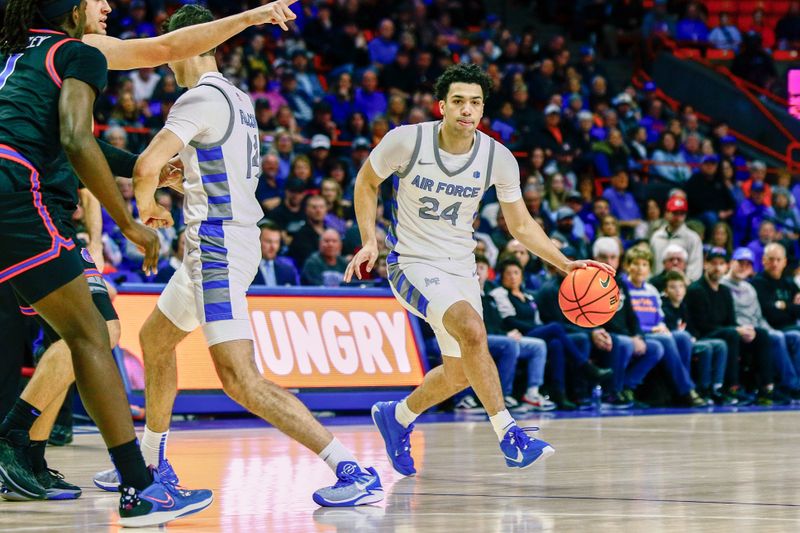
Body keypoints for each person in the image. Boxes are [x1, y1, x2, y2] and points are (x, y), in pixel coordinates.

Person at [0, 0, 299, 510]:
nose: (109, 6)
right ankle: (134, 484)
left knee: (91, 331)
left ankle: (21, 448)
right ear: (73, 8)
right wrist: (130, 222)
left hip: (26, 195)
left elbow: (65, 139)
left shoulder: (17, 51)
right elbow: (79, 136)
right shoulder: (78, 51)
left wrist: (147, 168)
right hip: (20, 195)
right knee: (93, 332)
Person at [93, 5, 383, 508]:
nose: (166, 62)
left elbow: (144, 165)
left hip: (218, 246)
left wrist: (146, 211)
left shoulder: (198, 98)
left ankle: (349, 467)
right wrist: (181, 192)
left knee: (238, 379)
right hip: (226, 237)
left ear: (187, 43)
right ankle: (152, 457)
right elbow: (213, 177)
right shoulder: (238, 98)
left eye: (171, 50)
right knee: (156, 339)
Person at [344, 64, 613, 474]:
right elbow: (366, 182)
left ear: (482, 110)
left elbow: (520, 223)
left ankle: (396, 417)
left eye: (474, 103)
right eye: (457, 101)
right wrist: (369, 239)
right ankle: (510, 435)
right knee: (472, 330)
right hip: (411, 263)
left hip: (461, 268)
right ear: (442, 106)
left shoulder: (497, 158)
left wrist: (564, 263)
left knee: (461, 373)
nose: (466, 110)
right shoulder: (407, 141)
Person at [621, 248, 710, 407]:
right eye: (636, 264)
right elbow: (627, 320)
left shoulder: (652, 290)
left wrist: (662, 326)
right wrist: (650, 330)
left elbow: (659, 317)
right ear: (628, 266)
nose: (640, 268)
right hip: (638, 334)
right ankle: (686, 390)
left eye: (644, 264)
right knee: (665, 339)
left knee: (682, 337)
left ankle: (678, 389)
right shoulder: (624, 288)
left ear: (649, 269)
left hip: (656, 331)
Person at [685, 248, 771, 404]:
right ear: (705, 264)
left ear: (726, 266)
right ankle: (731, 387)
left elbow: (731, 321)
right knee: (732, 334)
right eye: (714, 263)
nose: (718, 268)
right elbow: (702, 326)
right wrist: (735, 330)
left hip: (724, 332)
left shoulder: (724, 291)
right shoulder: (696, 290)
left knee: (760, 334)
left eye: (721, 264)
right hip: (702, 335)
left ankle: (765, 388)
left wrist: (745, 331)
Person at [721, 248, 795, 404]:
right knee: (771, 336)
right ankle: (789, 386)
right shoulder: (722, 286)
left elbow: (759, 317)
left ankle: (768, 389)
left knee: (772, 335)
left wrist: (770, 331)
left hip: (756, 330)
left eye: (748, 265)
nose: (743, 267)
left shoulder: (749, 288)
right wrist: (744, 329)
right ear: (731, 263)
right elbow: (727, 317)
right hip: (735, 330)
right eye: (740, 263)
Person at [661, 271, 730, 404]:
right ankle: (702, 389)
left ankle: (717, 386)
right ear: (666, 290)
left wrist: (693, 336)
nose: (678, 291)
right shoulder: (664, 308)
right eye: (673, 287)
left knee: (720, 345)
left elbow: (693, 329)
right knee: (706, 348)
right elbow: (669, 331)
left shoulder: (684, 307)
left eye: (681, 287)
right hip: (677, 345)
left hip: (691, 341)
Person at [650, 196, 703, 281]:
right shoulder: (656, 236)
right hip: (657, 284)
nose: (678, 217)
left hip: (681, 287)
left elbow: (695, 270)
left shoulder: (693, 238)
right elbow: (651, 265)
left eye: (682, 213)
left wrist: (686, 285)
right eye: (675, 213)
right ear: (666, 213)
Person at [250, 219, 299, 286]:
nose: (273, 247)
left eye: (276, 242)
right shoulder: (246, 270)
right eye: (268, 241)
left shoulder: (288, 271)